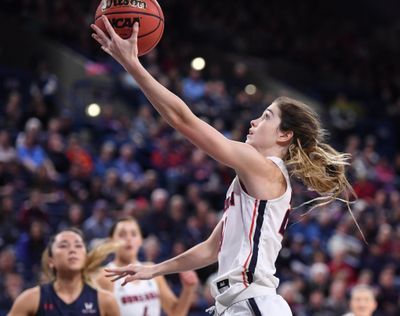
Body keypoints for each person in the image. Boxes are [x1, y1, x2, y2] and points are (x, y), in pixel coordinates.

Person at [91, 17, 354, 316]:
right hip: (235, 304)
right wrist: (154, 269)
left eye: (266, 116)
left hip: (253, 302)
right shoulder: (255, 179)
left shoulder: (263, 166)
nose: (254, 121)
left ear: (284, 135)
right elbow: (211, 248)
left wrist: (133, 66)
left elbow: (184, 121)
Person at [95, 217, 199, 316]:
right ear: (111, 241)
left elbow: (176, 313)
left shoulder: (152, 269)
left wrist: (188, 289)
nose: (129, 238)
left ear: (141, 240)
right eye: (122, 234)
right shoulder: (104, 276)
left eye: (134, 234)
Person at [7, 227, 120, 316]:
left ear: (85, 257)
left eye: (78, 245)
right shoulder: (31, 299)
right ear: (51, 261)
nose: (72, 250)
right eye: (64, 245)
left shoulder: (105, 301)